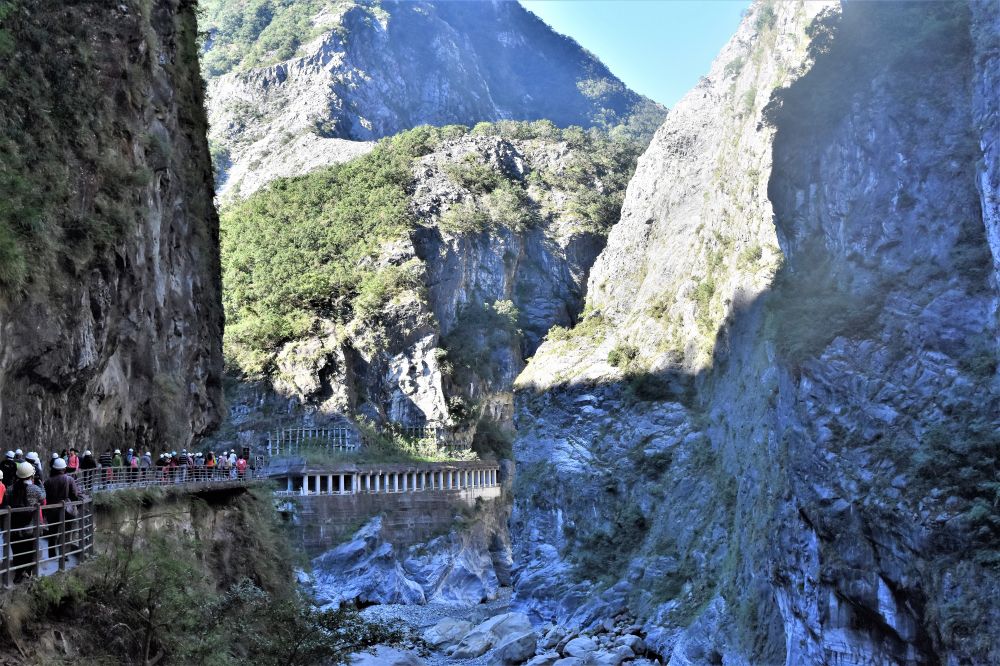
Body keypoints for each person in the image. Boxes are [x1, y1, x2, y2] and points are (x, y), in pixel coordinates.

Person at [7, 462, 46, 581]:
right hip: (29, 528)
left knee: (17, 551)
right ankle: (27, 573)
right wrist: (41, 484)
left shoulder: (10, 489)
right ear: (31, 475)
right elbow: (43, 498)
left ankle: (19, 574)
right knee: (29, 551)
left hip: (14, 527)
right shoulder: (34, 489)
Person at [43, 458, 81, 559]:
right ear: (64, 469)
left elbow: (45, 498)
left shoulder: (47, 482)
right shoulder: (69, 479)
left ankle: (52, 554)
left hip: (52, 510)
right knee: (66, 533)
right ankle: (64, 555)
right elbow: (74, 495)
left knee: (52, 533)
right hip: (66, 510)